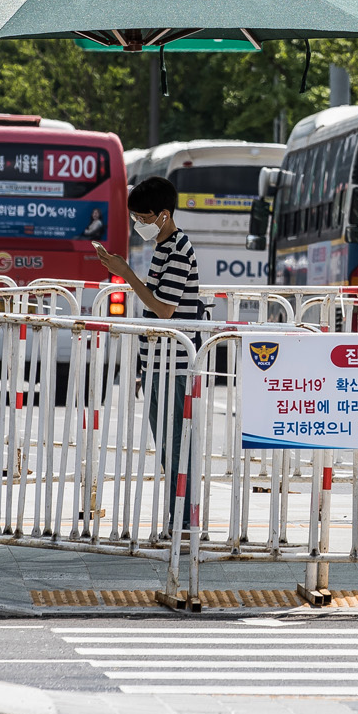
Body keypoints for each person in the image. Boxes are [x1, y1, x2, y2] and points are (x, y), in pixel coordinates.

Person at [94, 176, 205, 532]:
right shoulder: (164, 246)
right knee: (169, 445)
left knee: (176, 444)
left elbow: (164, 309)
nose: (138, 223)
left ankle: (184, 521)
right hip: (160, 361)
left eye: (143, 217)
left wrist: (125, 273)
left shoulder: (178, 249)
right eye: (135, 217)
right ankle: (180, 518)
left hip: (174, 362)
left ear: (164, 215)